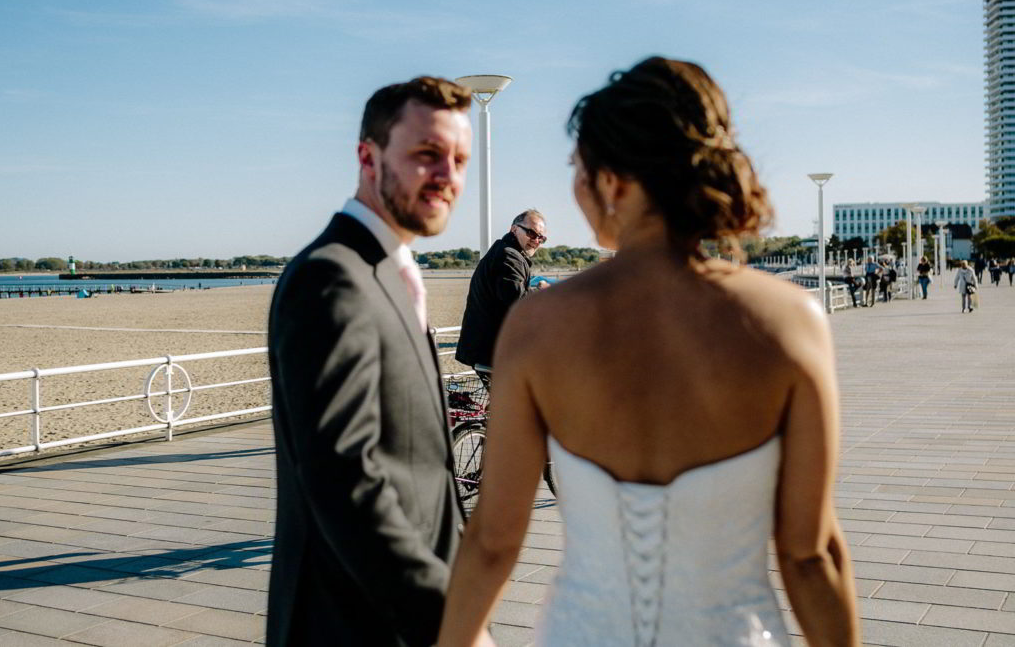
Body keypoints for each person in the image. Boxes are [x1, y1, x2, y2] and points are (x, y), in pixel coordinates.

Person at [438, 57, 859, 646]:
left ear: (611, 181)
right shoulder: (789, 322)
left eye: (578, 170)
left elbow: (492, 543)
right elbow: (810, 555)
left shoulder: (541, 326)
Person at [266, 76, 479, 647]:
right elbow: (344, 480)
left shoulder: (389, 269)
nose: (448, 176)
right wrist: (449, 621)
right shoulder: (332, 278)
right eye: (427, 155)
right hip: (348, 625)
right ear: (368, 156)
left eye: (459, 159)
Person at [455, 209, 547, 376]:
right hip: (491, 352)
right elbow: (518, 300)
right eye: (532, 233)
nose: (536, 241)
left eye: (541, 237)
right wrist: (545, 293)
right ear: (514, 229)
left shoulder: (509, 252)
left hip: (490, 350)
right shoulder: (508, 256)